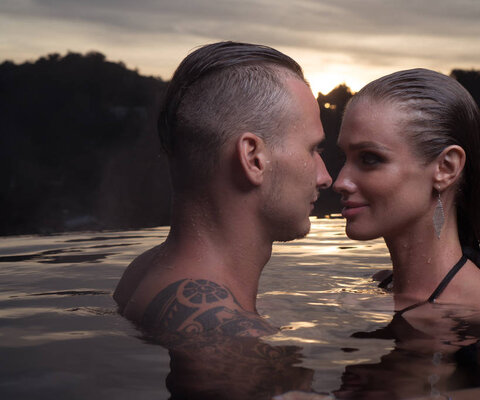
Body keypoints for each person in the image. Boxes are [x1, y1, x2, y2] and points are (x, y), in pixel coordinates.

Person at [113, 41, 332, 339]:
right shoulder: (229, 337)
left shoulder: (141, 272)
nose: (326, 177)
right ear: (254, 158)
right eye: (312, 149)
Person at [333, 68, 480, 314]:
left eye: (369, 159)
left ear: (446, 168)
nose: (340, 182)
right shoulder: (380, 284)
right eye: (344, 158)